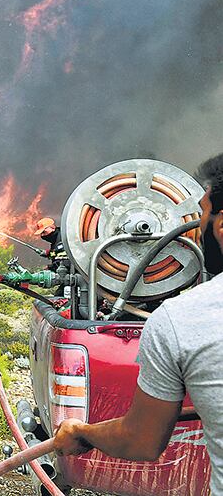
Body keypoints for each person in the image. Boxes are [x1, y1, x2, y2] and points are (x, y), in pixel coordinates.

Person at [54, 152, 223, 494]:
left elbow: (141, 441)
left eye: (201, 213)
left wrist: (83, 433)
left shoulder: (182, 320)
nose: (194, 227)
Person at [33, 217, 68, 296]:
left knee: (60, 297)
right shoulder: (55, 240)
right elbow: (55, 253)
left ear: (52, 228)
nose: (43, 235)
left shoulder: (62, 239)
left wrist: (50, 267)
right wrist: (48, 253)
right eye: (41, 234)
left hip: (71, 276)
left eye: (44, 232)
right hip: (66, 276)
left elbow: (63, 260)